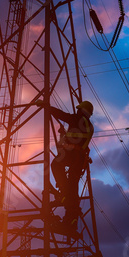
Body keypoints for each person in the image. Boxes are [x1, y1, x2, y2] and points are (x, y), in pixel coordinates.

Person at [36, 100, 94, 233]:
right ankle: (70, 221)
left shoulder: (76, 118)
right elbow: (76, 136)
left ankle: (63, 192)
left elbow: (61, 115)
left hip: (71, 155)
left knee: (56, 165)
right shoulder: (89, 125)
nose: (77, 111)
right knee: (73, 187)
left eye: (79, 110)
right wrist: (63, 134)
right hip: (79, 159)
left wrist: (47, 106)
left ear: (82, 111)